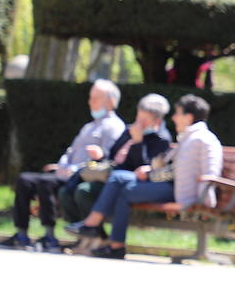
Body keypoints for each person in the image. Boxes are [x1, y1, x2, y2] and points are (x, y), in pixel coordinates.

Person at [71, 93, 223, 260]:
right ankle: (113, 243)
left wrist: (151, 174)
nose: (173, 118)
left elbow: (189, 172)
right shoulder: (190, 138)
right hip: (173, 186)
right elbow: (172, 167)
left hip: (182, 192)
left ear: (189, 117)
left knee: (120, 182)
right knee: (121, 183)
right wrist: (150, 169)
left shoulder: (201, 139)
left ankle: (98, 229)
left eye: (177, 113)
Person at [0, 80, 125, 253]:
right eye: (90, 97)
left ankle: (49, 236)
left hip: (81, 175)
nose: (90, 102)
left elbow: (108, 159)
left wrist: (74, 168)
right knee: (25, 179)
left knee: (45, 183)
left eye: (95, 98)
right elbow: (71, 151)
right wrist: (62, 165)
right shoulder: (89, 126)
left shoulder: (114, 127)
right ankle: (21, 233)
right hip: (66, 172)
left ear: (111, 102)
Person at [59, 93, 173, 228]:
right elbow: (112, 157)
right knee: (65, 192)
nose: (139, 123)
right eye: (138, 117)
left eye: (144, 120)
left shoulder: (161, 140)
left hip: (124, 182)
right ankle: (81, 237)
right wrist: (100, 157)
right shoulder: (128, 131)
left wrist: (138, 142)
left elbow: (143, 169)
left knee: (84, 191)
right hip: (108, 175)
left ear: (157, 122)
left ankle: (95, 236)